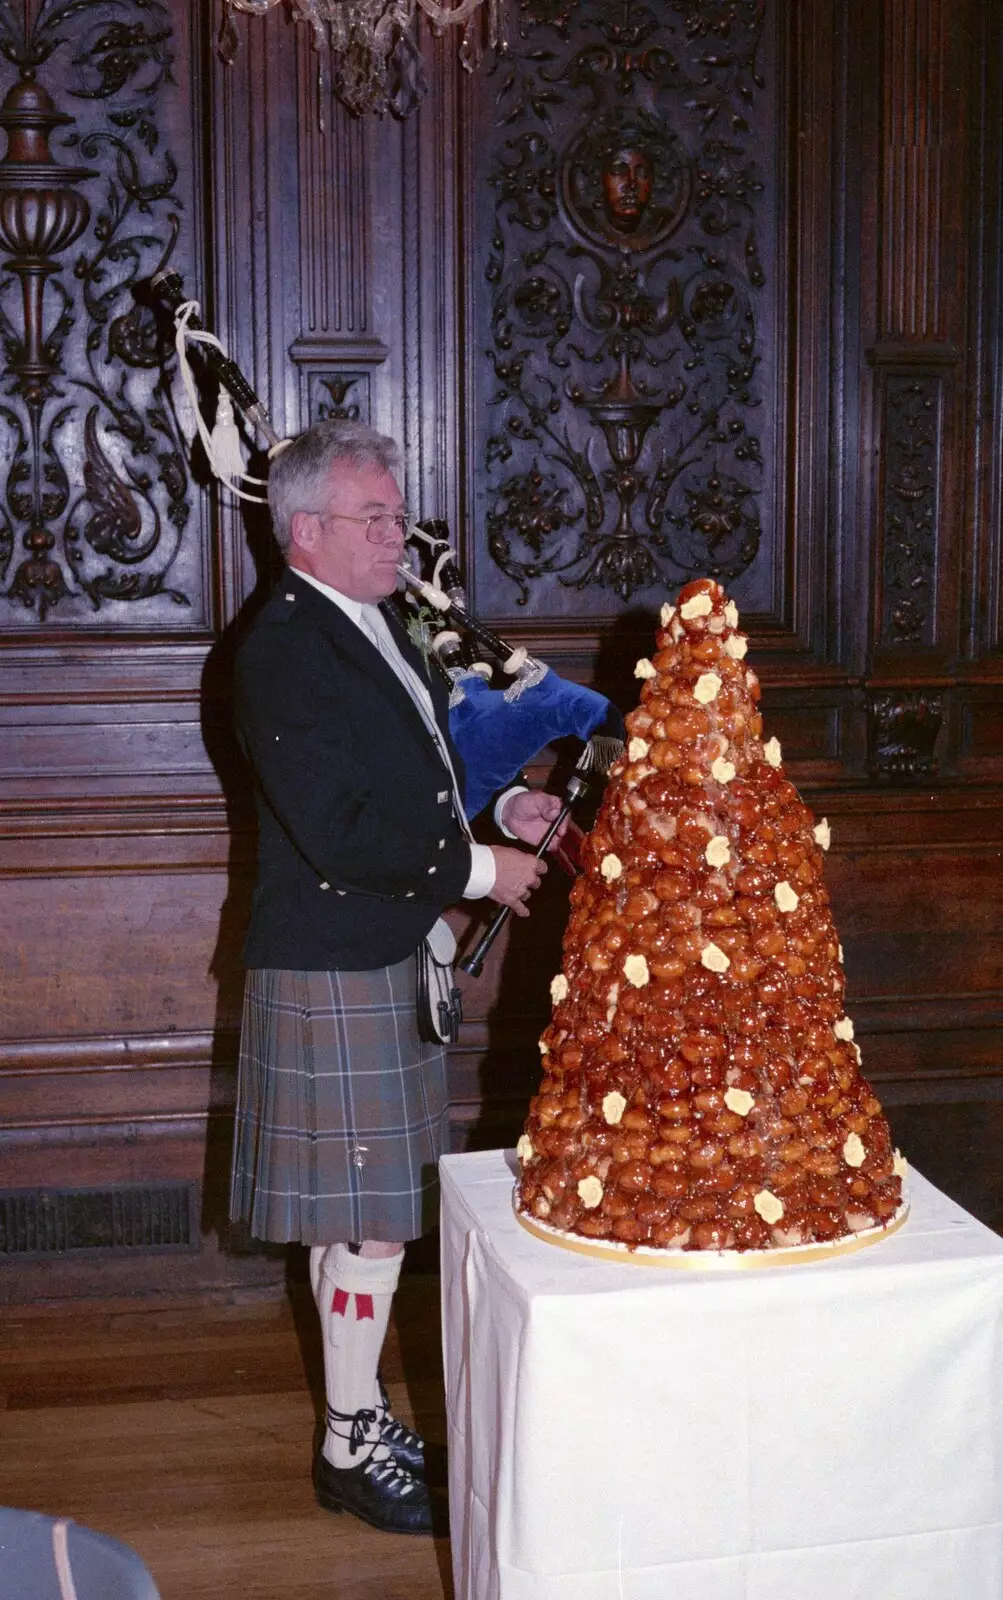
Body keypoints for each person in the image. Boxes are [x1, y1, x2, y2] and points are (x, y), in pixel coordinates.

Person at [229, 418, 566, 1535]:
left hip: (374, 949)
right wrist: (481, 865)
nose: (397, 534)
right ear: (305, 532)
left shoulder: (372, 625)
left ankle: (356, 1410)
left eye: (395, 512)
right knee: (373, 1218)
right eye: (374, 519)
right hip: (336, 956)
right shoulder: (279, 647)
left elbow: (412, 778)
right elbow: (337, 826)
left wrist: (499, 806)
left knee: (366, 1212)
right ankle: (347, 1434)